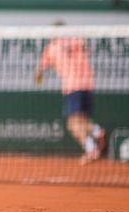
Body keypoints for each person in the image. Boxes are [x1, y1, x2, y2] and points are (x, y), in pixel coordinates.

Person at [35, 27, 106, 163]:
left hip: (73, 86)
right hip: (88, 85)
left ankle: (94, 141)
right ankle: (95, 136)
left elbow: (39, 71)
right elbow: (86, 50)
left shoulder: (52, 47)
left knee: (72, 124)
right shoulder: (76, 40)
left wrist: (38, 77)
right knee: (81, 120)